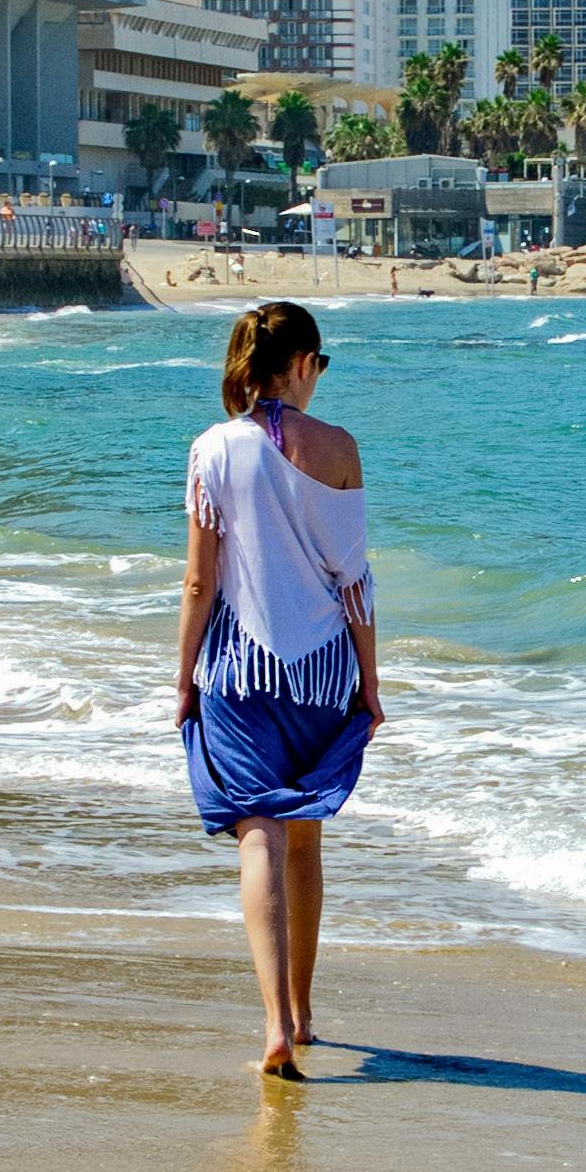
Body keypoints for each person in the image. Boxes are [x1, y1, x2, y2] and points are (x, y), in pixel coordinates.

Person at [177, 301, 379, 1078]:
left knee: (256, 832)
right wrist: (370, 680)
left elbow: (200, 580)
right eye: (319, 365)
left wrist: (182, 677)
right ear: (300, 363)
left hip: (237, 667)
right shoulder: (340, 449)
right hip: (323, 671)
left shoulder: (209, 450)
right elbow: (353, 578)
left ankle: (271, 1026)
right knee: (305, 836)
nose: (318, 378)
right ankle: (301, 1012)